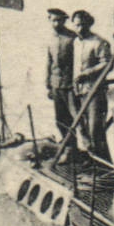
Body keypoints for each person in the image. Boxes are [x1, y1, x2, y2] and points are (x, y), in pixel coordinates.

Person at [69, 10, 113, 163]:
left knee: (95, 130)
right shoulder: (75, 42)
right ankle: (91, 158)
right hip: (78, 90)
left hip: (94, 91)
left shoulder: (99, 42)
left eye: (82, 25)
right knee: (82, 128)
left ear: (89, 24)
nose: (79, 29)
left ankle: (103, 163)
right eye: (76, 25)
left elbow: (107, 63)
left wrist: (87, 73)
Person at [44, 8, 75, 157]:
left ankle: (73, 148)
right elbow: (49, 62)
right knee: (60, 119)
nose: (56, 23)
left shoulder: (72, 38)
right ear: (49, 20)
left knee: (74, 118)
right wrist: (48, 84)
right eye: (53, 20)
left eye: (59, 20)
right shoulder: (51, 39)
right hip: (56, 84)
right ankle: (67, 145)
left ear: (64, 21)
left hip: (70, 85)